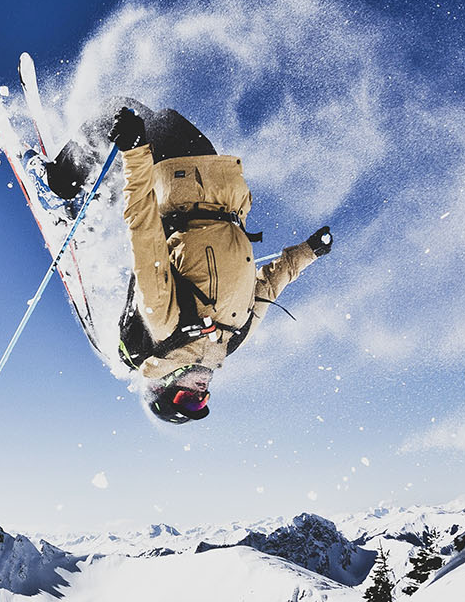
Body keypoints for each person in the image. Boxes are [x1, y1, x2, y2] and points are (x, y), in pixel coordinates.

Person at [40, 104, 331, 424]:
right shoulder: (232, 342)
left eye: (186, 398)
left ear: (162, 385)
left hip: (181, 181)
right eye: (201, 402)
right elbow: (271, 286)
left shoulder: (165, 329)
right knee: (155, 116)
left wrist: (136, 153)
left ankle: (58, 183)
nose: (201, 394)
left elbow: (145, 235)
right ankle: (94, 196)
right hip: (223, 187)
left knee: (119, 109)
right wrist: (309, 251)